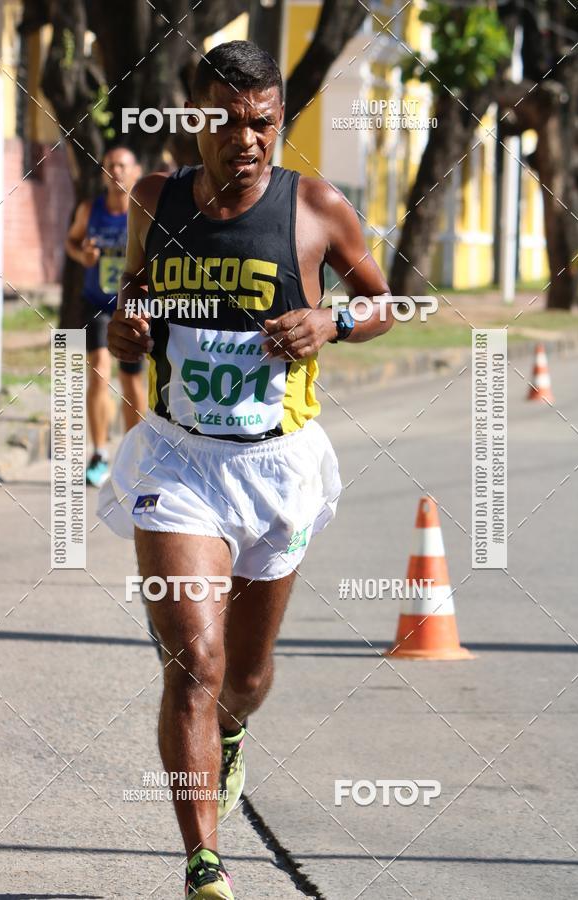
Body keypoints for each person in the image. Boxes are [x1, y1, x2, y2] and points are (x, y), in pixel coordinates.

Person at [98, 41, 393, 899]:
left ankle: (232, 735)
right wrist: (127, 326)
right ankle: (206, 867)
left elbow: (389, 302)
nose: (247, 140)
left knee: (247, 677)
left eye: (262, 123)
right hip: (178, 459)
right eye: (226, 123)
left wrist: (331, 324)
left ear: (279, 123)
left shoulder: (317, 209)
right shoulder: (154, 199)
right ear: (195, 120)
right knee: (195, 658)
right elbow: (134, 295)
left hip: (276, 467)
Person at [65, 146, 146, 487]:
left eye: (122, 166)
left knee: (131, 380)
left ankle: (136, 453)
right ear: (103, 173)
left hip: (132, 307)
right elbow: (71, 241)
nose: (116, 171)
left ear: (135, 172)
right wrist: (82, 254)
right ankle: (98, 453)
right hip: (97, 302)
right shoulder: (90, 209)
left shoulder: (143, 212)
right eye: (110, 166)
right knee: (98, 374)